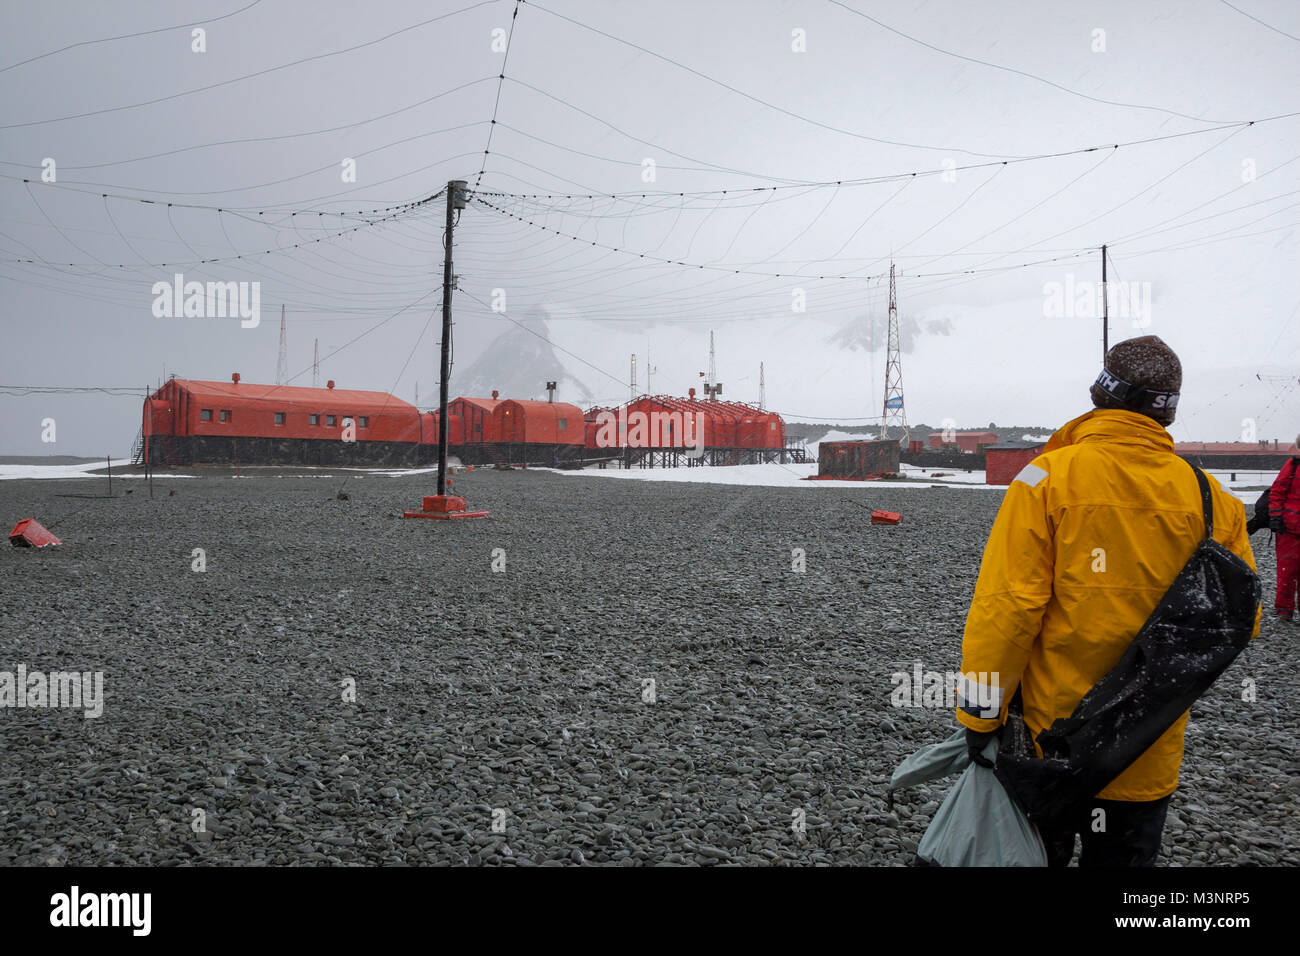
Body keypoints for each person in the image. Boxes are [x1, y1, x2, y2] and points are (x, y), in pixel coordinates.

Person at [955, 335, 1260, 866]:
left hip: (1047, 741)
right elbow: (1241, 620)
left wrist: (980, 715)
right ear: (1166, 412)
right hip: (1143, 745)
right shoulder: (1214, 499)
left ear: (1100, 396)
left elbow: (1008, 609)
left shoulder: (1045, 480)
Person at [1268, 439, 1300, 621]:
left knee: (1287, 569)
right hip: (1289, 528)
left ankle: (1285, 609)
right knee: (1287, 570)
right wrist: (1276, 517)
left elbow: (1277, 492)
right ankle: (1284, 610)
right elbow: (1277, 492)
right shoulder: (1293, 465)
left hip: (1289, 524)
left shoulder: (1293, 465)